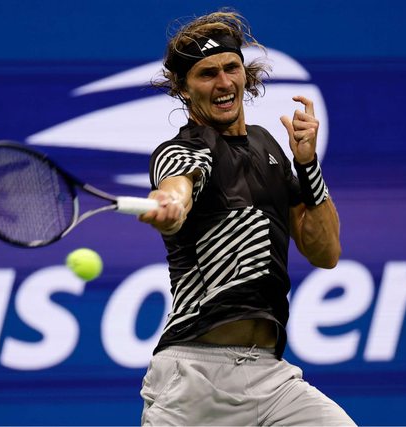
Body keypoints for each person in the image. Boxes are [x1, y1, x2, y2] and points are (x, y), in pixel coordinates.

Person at [138, 9, 356, 426]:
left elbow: (326, 252)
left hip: (271, 377)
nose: (223, 83)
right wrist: (171, 205)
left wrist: (307, 165)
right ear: (183, 88)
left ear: (244, 73)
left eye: (231, 68)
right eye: (207, 74)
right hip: (194, 379)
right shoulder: (184, 149)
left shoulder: (266, 147)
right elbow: (177, 184)